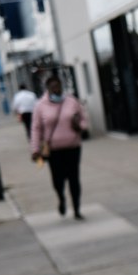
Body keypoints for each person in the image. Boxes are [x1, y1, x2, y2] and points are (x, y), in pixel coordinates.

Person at [30, 76, 89, 220]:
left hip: (72, 147)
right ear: (48, 89)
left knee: (74, 178)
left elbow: (84, 119)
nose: (56, 89)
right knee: (58, 179)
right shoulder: (40, 106)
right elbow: (36, 128)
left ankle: (76, 209)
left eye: (58, 86)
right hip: (53, 150)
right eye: (53, 87)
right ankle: (61, 198)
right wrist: (35, 148)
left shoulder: (71, 101)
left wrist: (80, 126)